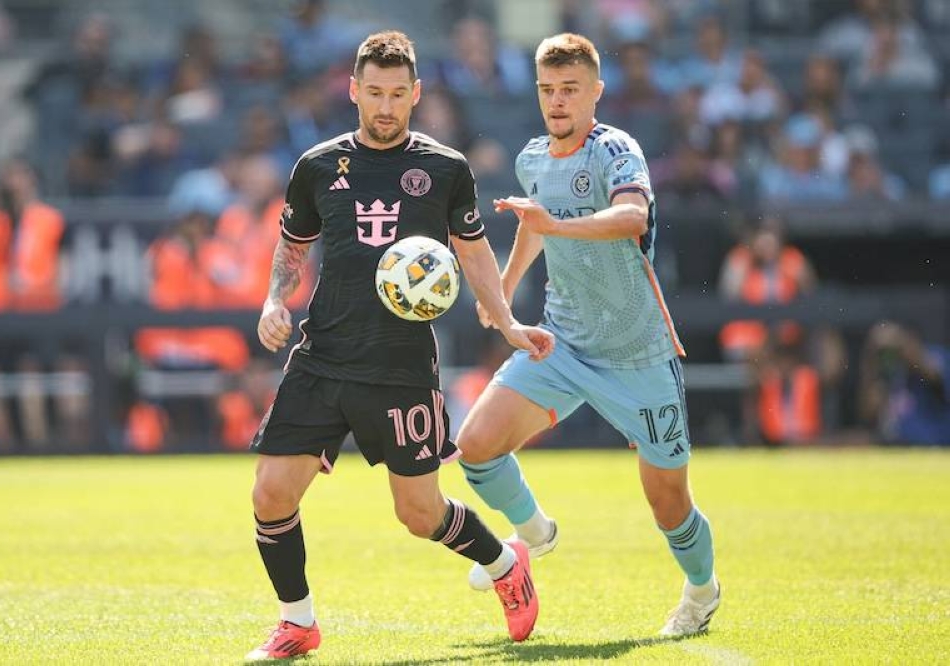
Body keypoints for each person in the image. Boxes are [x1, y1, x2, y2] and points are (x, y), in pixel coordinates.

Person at [244, 31, 555, 661]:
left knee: (418, 513)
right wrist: (275, 300)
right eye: (374, 93)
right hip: (324, 354)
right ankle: (298, 623)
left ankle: (503, 563)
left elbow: (473, 252)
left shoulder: (445, 169)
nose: (386, 107)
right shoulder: (316, 166)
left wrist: (508, 322)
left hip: (400, 366)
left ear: (415, 94)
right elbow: (294, 243)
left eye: (397, 95)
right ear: (354, 91)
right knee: (271, 494)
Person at [454, 33, 720, 637]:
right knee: (476, 446)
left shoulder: (615, 150)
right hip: (563, 341)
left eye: (569, 89)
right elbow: (535, 227)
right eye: (547, 89)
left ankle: (702, 593)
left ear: (595, 92)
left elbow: (634, 218)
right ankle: (535, 534)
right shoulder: (531, 158)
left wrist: (556, 223)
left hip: (637, 353)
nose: (557, 100)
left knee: (668, 503)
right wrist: (500, 293)